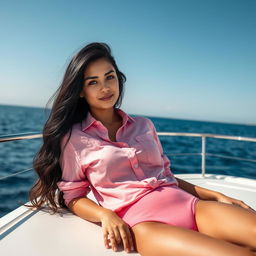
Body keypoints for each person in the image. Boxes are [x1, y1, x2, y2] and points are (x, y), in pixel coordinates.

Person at [25, 42, 256, 256]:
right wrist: (104, 215)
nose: (105, 88)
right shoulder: (74, 139)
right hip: (146, 226)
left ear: (119, 79)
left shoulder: (144, 125)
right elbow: (73, 196)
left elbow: (166, 177)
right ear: (81, 91)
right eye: (93, 82)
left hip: (189, 205)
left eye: (110, 77)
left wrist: (215, 195)